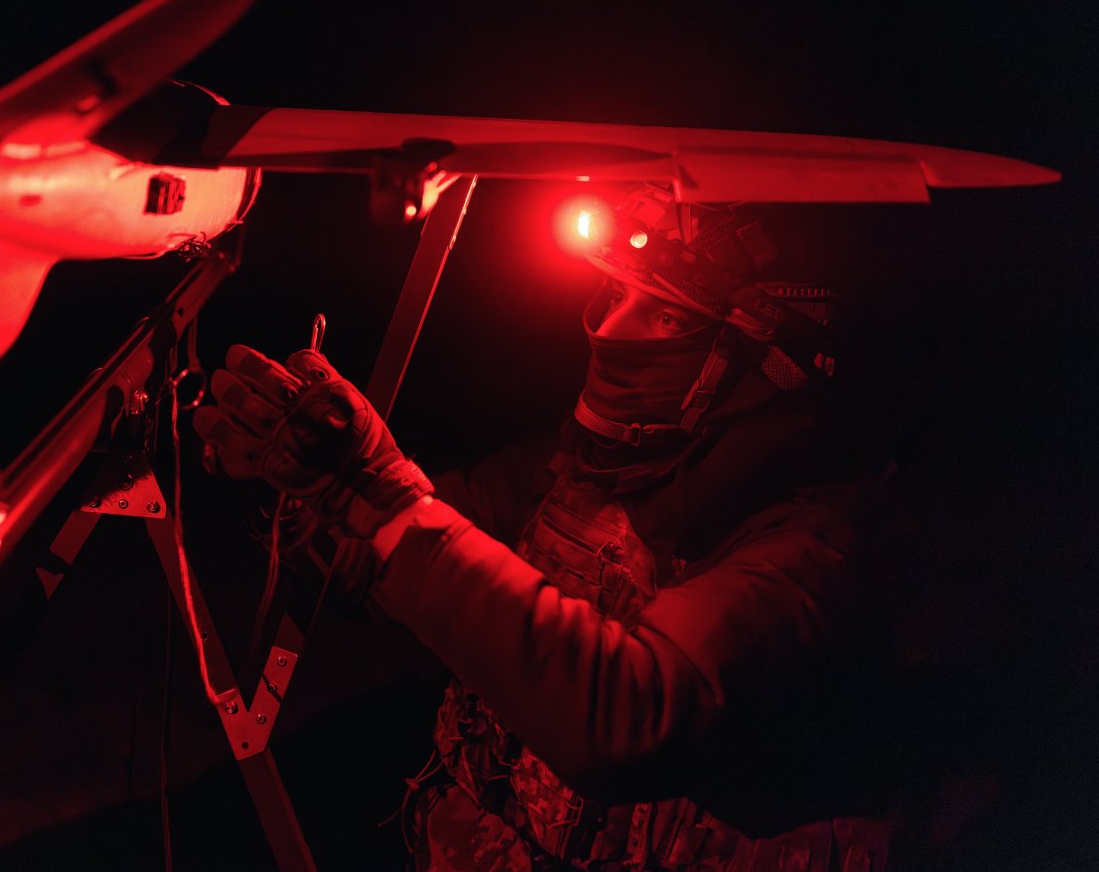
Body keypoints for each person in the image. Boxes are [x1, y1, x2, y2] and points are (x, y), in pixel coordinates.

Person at [194, 185, 902, 871]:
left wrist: (382, 498)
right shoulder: (575, 469)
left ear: (762, 361)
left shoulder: (814, 549)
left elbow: (627, 719)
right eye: (616, 294)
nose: (610, 329)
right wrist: (303, 483)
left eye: (665, 316)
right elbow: (381, 565)